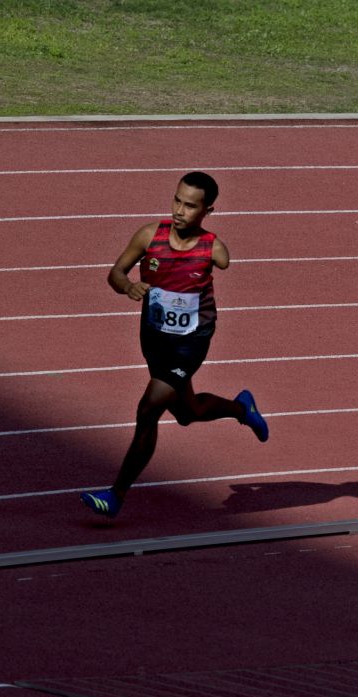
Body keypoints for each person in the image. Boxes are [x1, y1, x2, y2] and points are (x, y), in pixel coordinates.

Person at [80, 172, 268, 518]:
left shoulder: (213, 248)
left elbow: (225, 262)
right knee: (187, 412)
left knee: (149, 408)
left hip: (191, 342)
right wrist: (127, 287)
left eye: (191, 206)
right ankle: (242, 409)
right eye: (177, 201)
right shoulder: (150, 236)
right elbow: (115, 272)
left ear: (207, 210)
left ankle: (115, 495)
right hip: (154, 337)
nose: (181, 210)